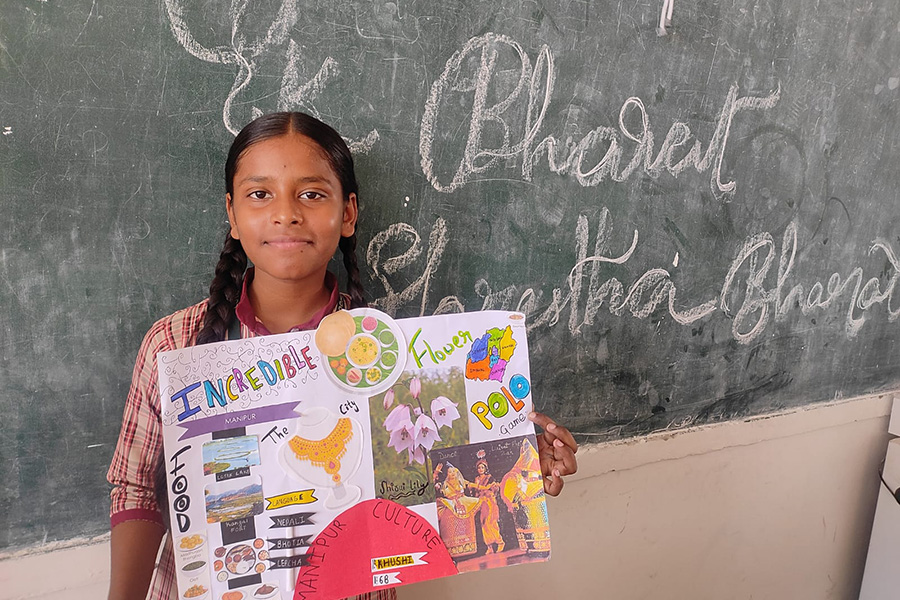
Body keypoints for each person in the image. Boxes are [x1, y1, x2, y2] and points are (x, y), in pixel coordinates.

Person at [106, 112, 578, 600]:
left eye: (312, 194)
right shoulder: (174, 344)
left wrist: (517, 461)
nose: (286, 213)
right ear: (232, 213)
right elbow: (135, 490)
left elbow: (431, 482)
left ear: (348, 212)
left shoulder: (391, 357)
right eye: (260, 194)